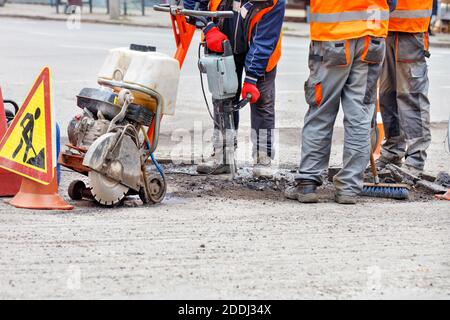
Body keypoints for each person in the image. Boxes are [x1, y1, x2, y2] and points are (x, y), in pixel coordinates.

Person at [285, 0, 396, 205]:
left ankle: (308, 182)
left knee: (321, 111)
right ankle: (349, 188)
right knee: (360, 116)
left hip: (332, 35)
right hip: (372, 37)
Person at [184, 0, 286, 178]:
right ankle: (223, 155)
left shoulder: (273, 2)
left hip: (260, 47)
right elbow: (191, 4)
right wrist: (209, 28)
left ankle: (263, 156)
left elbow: (264, 41)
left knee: (262, 101)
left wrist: (252, 78)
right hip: (222, 41)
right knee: (222, 98)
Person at [378, 0, 433, 176]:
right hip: (383, 26)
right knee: (387, 95)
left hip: (411, 28)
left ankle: (415, 160)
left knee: (412, 98)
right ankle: (392, 151)